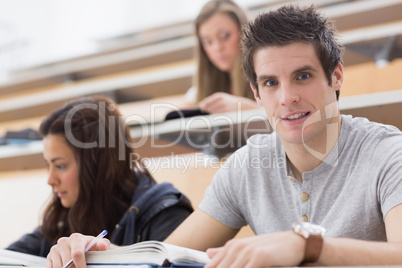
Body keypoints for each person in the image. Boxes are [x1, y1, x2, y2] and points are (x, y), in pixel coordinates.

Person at [46, 5, 402, 267]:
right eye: (271, 83)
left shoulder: (388, 153)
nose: (287, 97)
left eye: (303, 76)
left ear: (336, 76)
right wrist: (106, 254)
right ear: (256, 93)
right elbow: (169, 254)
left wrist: (307, 247)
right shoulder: (248, 165)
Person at [6, 96, 193, 258]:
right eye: (49, 165)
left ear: (96, 164)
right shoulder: (65, 217)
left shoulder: (165, 213)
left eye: (60, 165)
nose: (50, 180)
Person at [184, 0, 259, 114]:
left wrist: (247, 108)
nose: (217, 48)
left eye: (225, 36)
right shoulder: (197, 93)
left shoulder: (266, 78)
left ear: (245, 32)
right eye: (208, 41)